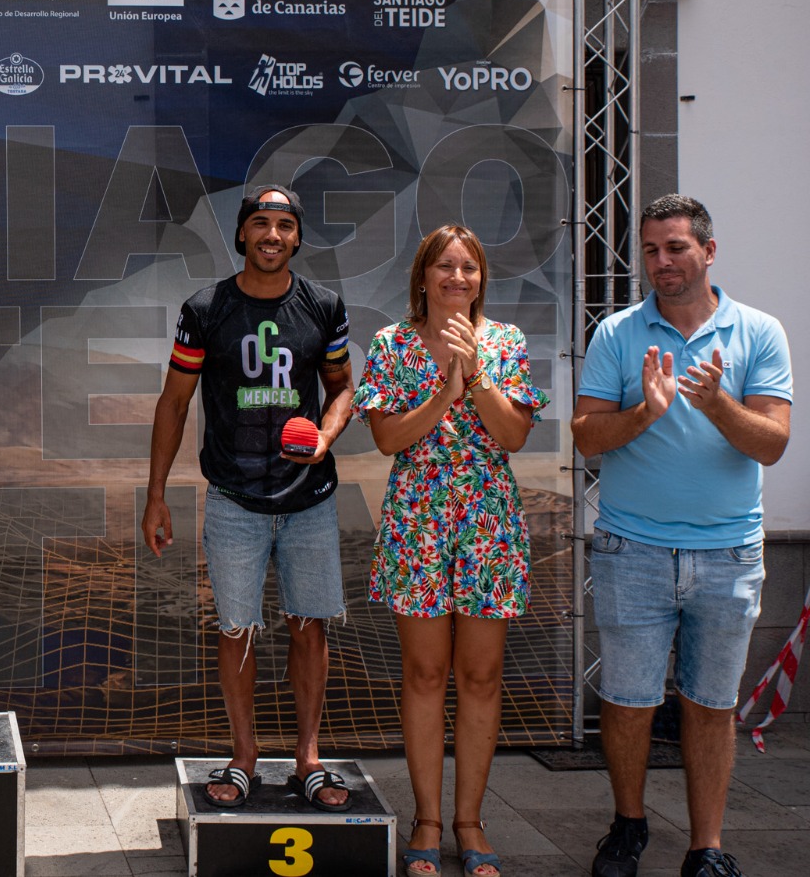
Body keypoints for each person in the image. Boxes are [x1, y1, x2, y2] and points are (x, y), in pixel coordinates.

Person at [572, 195, 791, 877]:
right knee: (629, 702)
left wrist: (717, 402)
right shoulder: (617, 333)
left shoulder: (758, 332)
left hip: (728, 555)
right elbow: (586, 435)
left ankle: (707, 846)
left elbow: (774, 443)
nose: (661, 262)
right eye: (650, 250)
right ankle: (628, 825)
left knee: (711, 705)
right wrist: (646, 411)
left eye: (675, 247)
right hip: (631, 549)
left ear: (709, 250)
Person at [140, 187, 354, 810]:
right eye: (260, 223)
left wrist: (326, 436)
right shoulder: (205, 309)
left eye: (285, 225)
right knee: (236, 629)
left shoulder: (324, 306)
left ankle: (308, 757)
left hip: (309, 498)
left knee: (309, 626)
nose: (272, 234)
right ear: (241, 235)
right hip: (234, 497)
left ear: (296, 238)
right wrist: (156, 496)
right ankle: (244, 756)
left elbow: (342, 389)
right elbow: (174, 403)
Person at [353, 225, 547, 877]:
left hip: (487, 519)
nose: (457, 277)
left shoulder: (506, 342)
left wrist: (477, 374)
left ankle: (471, 821)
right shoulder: (392, 344)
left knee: (481, 675)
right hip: (419, 520)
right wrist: (443, 391)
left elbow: (514, 434)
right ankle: (428, 820)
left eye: (469, 267)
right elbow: (386, 440)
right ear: (423, 276)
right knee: (425, 674)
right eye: (445, 265)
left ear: (482, 277)